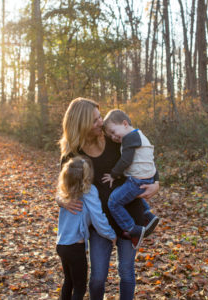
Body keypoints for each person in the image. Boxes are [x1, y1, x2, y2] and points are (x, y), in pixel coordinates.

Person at [56, 97, 159, 300]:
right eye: (95, 120)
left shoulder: (115, 138)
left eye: (100, 117)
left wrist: (156, 182)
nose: (101, 122)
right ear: (82, 124)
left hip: (129, 217)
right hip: (100, 223)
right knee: (97, 279)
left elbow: (144, 159)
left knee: (127, 273)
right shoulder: (72, 155)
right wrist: (62, 200)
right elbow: (62, 189)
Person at [56, 155, 116, 300]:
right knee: (80, 288)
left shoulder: (65, 191)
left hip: (62, 245)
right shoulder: (89, 191)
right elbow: (98, 218)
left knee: (68, 282)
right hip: (76, 248)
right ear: (86, 176)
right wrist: (111, 235)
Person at [102, 109, 159, 250]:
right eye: (110, 136)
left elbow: (125, 160)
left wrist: (113, 175)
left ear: (125, 123)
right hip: (148, 177)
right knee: (132, 196)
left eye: (114, 132)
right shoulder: (140, 135)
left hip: (137, 179)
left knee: (114, 201)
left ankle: (132, 229)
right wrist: (155, 180)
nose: (114, 137)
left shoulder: (129, 139)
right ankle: (148, 216)